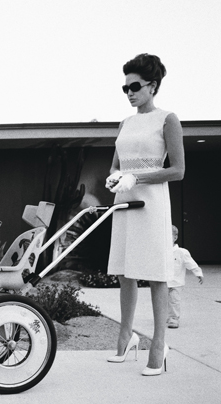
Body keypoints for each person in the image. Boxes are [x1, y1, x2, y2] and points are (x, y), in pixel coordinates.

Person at [105, 53, 185, 376]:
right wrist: (114, 177)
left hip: (151, 203)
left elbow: (177, 170)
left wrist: (136, 178)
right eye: (125, 88)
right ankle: (126, 336)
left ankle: (159, 344)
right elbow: (116, 164)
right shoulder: (125, 123)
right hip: (124, 200)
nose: (129, 93)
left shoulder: (168, 120)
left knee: (154, 273)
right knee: (124, 272)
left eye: (135, 86)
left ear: (152, 86)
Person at [168, 225, 204, 328]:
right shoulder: (161, 252)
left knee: (174, 300)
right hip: (163, 282)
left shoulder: (182, 252)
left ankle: (174, 318)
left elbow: (190, 263)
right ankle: (164, 316)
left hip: (176, 282)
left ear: (175, 237)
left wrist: (198, 273)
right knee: (162, 301)